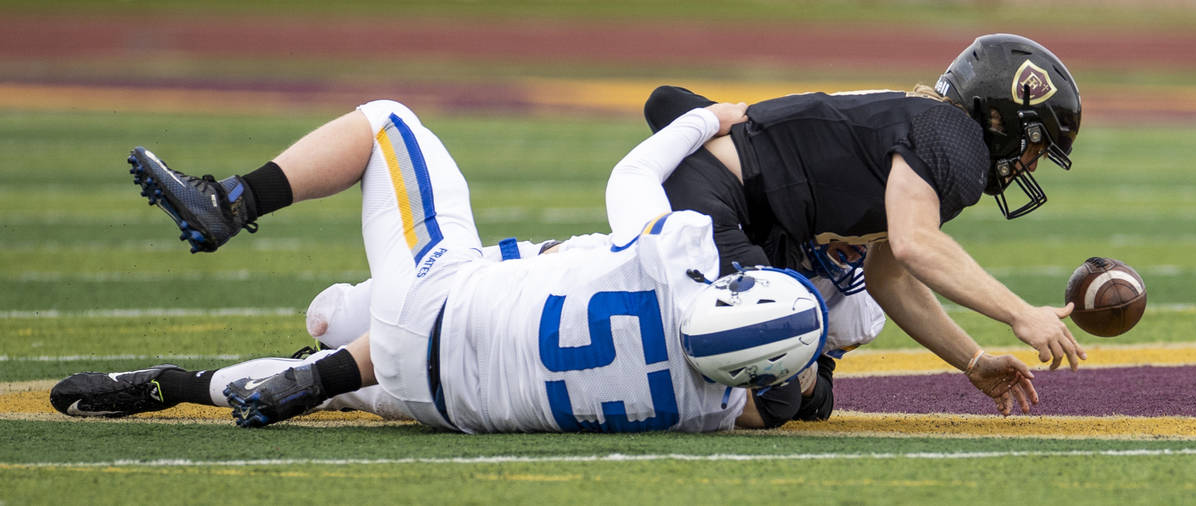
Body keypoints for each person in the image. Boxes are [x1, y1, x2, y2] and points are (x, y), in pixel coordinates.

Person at [51, 98, 1036, 432]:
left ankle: (234, 203)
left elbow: (634, 176)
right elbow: (776, 391)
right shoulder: (704, 414)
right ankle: (185, 381)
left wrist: (710, 117)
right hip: (454, 392)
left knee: (390, 124)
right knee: (352, 355)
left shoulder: (679, 249)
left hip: (443, 309)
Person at [626, 34, 1086, 382]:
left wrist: (974, 361)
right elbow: (914, 244)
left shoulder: (932, 130)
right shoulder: (954, 136)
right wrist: (1020, 313)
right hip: (717, 199)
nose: (1030, 164)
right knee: (771, 391)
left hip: (736, 207)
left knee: (801, 395)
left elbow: (891, 278)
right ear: (999, 118)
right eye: (1035, 146)